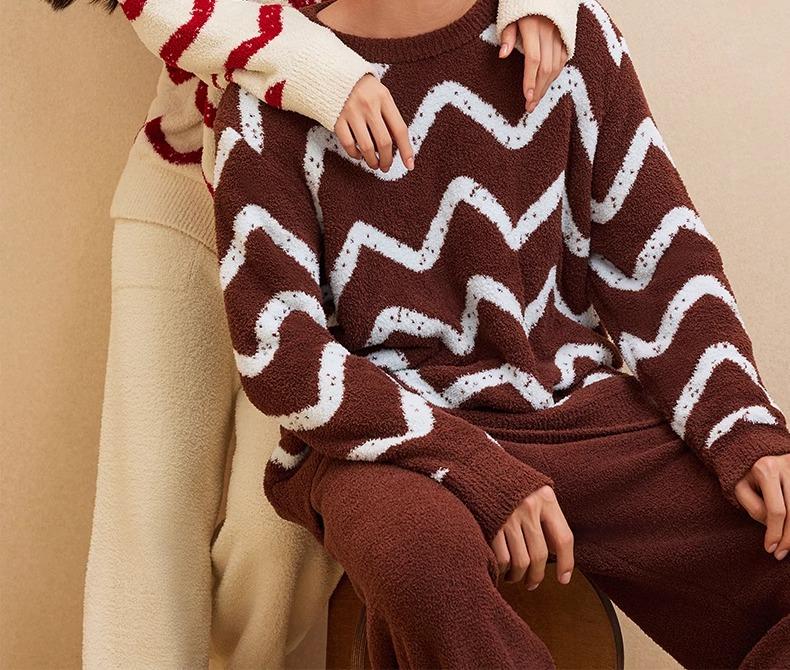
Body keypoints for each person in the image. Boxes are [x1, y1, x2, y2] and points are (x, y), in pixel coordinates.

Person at [211, 0, 790, 667]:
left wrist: (740, 422)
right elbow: (282, 356)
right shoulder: (275, 89)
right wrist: (473, 466)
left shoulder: (570, 33)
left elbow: (660, 260)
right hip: (385, 440)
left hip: (570, 408)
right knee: (420, 564)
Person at [36, 0, 579, 667]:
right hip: (183, 208)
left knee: (279, 541)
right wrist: (326, 72)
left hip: (320, 228)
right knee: (149, 522)